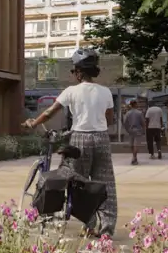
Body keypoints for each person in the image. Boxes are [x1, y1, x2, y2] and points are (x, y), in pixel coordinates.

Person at [24, 48, 116, 237]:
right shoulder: (106, 92)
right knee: (105, 184)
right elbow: (111, 119)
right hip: (101, 139)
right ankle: (106, 229)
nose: (73, 74)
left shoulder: (71, 91)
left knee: (79, 184)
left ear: (79, 72)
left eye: (74, 71)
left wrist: (34, 123)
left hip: (79, 138)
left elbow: (50, 112)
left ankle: (89, 226)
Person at [122, 101, 145, 166]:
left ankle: (134, 157)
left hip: (131, 131)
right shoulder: (139, 113)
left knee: (132, 145)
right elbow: (143, 123)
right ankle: (134, 158)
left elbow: (125, 123)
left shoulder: (128, 113)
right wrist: (143, 131)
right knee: (136, 145)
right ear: (135, 104)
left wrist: (128, 130)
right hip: (138, 130)